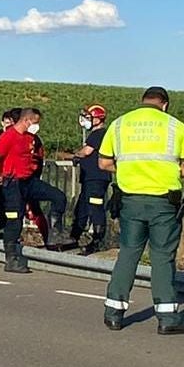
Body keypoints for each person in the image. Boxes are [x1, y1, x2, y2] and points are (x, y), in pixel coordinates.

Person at [100, 87, 184, 335]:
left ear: (142, 102)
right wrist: (164, 172)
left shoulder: (120, 124)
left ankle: (113, 313)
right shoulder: (175, 126)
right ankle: (167, 318)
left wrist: (129, 170)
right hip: (163, 204)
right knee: (162, 257)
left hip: (130, 201)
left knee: (128, 253)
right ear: (164, 105)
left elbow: (103, 162)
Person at [0, 108, 71, 273]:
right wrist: (2, 174)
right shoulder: (9, 136)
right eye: (36, 122)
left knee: (58, 197)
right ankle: (11, 259)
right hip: (13, 183)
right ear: (27, 120)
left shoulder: (30, 138)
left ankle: (55, 232)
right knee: (15, 221)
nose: (37, 126)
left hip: (29, 181)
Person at [0, 109, 50, 240]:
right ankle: (4, 240)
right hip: (7, 182)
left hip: (23, 181)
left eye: (10, 122)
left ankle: (47, 239)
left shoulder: (31, 139)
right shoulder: (3, 137)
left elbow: (37, 160)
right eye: (5, 122)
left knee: (30, 211)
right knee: (4, 212)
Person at [65, 104, 112, 255]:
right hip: (89, 178)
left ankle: (97, 241)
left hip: (96, 178)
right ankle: (74, 236)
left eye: (88, 118)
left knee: (95, 208)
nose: (84, 121)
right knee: (82, 208)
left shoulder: (98, 134)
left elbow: (86, 151)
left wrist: (75, 155)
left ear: (97, 119)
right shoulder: (96, 134)